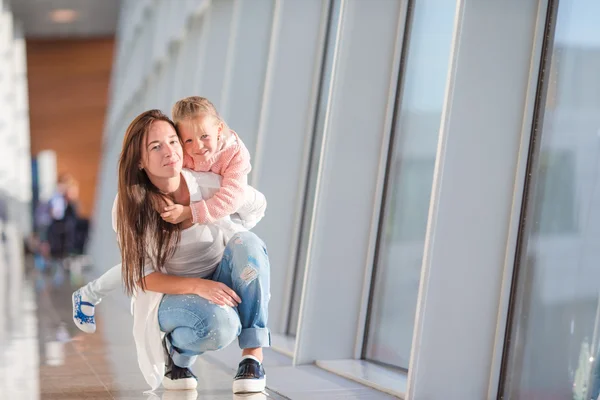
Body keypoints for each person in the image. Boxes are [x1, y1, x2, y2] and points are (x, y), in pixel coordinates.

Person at [74, 110, 270, 394]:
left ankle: (253, 356)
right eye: (156, 147)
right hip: (169, 295)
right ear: (140, 161)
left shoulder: (207, 184)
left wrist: (224, 216)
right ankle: (176, 354)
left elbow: (256, 206)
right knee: (221, 326)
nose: (170, 152)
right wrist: (198, 286)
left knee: (248, 243)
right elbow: (140, 275)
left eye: (173, 141)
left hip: (219, 275)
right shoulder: (129, 206)